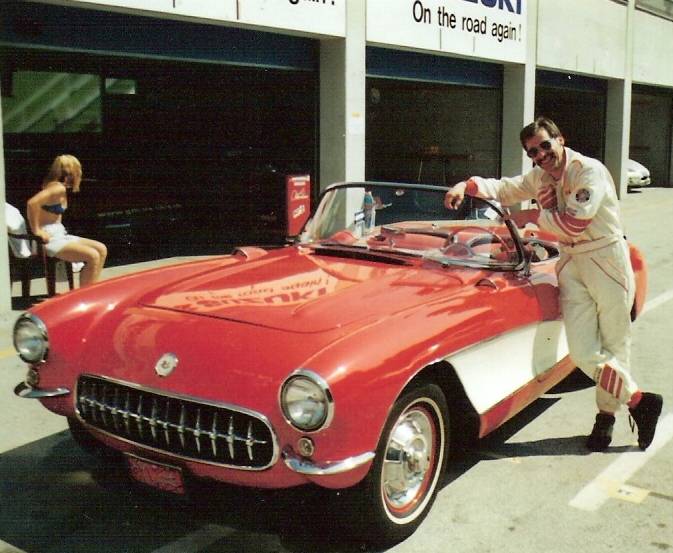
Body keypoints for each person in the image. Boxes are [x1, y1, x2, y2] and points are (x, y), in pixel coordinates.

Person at [444, 116, 663, 451]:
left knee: (615, 345)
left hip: (605, 256)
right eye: (534, 151)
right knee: (582, 351)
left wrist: (531, 218)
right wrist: (466, 185)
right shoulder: (541, 176)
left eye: (546, 145)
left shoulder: (588, 170)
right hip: (570, 262)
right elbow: (506, 187)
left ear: (560, 139)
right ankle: (638, 400)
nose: (542, 154)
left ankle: (605, 418)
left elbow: (575, 223)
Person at [27, 154, 107, 287]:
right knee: (92, 256)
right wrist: (36, 230)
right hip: (50, 238)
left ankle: (90, 289)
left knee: (101, 249)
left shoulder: (54, 185)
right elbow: (32, 203)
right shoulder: (57, 188)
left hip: (59, 233)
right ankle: (85, 296)